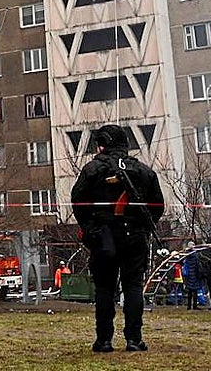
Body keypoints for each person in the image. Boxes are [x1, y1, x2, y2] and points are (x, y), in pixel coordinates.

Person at [71, 124, 165, 353]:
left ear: (103, 144)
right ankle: (134, 339)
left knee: (104, 289)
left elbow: (77, 200)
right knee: (133, 286)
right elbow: (158, 206)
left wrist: (90, 228)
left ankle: (104, 341)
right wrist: (142, 226)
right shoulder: (144, 171)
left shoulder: (93, 169)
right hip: (134, 237)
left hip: (104, 237)